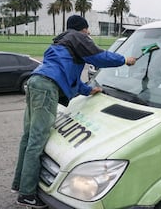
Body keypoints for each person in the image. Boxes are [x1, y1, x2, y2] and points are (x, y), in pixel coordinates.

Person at [11, 15, 136, 208]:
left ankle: (20, 184)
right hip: (46, 89)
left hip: (36, 82)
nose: (89, 34)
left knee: (28, 138)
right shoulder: (78, 36)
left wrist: (89, 89)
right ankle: (27, 194)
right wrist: (124, 59)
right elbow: (100, 57)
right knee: (37, 140)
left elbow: (69, 77)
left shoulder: (63, 42)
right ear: (81, 29)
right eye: (87, 30)